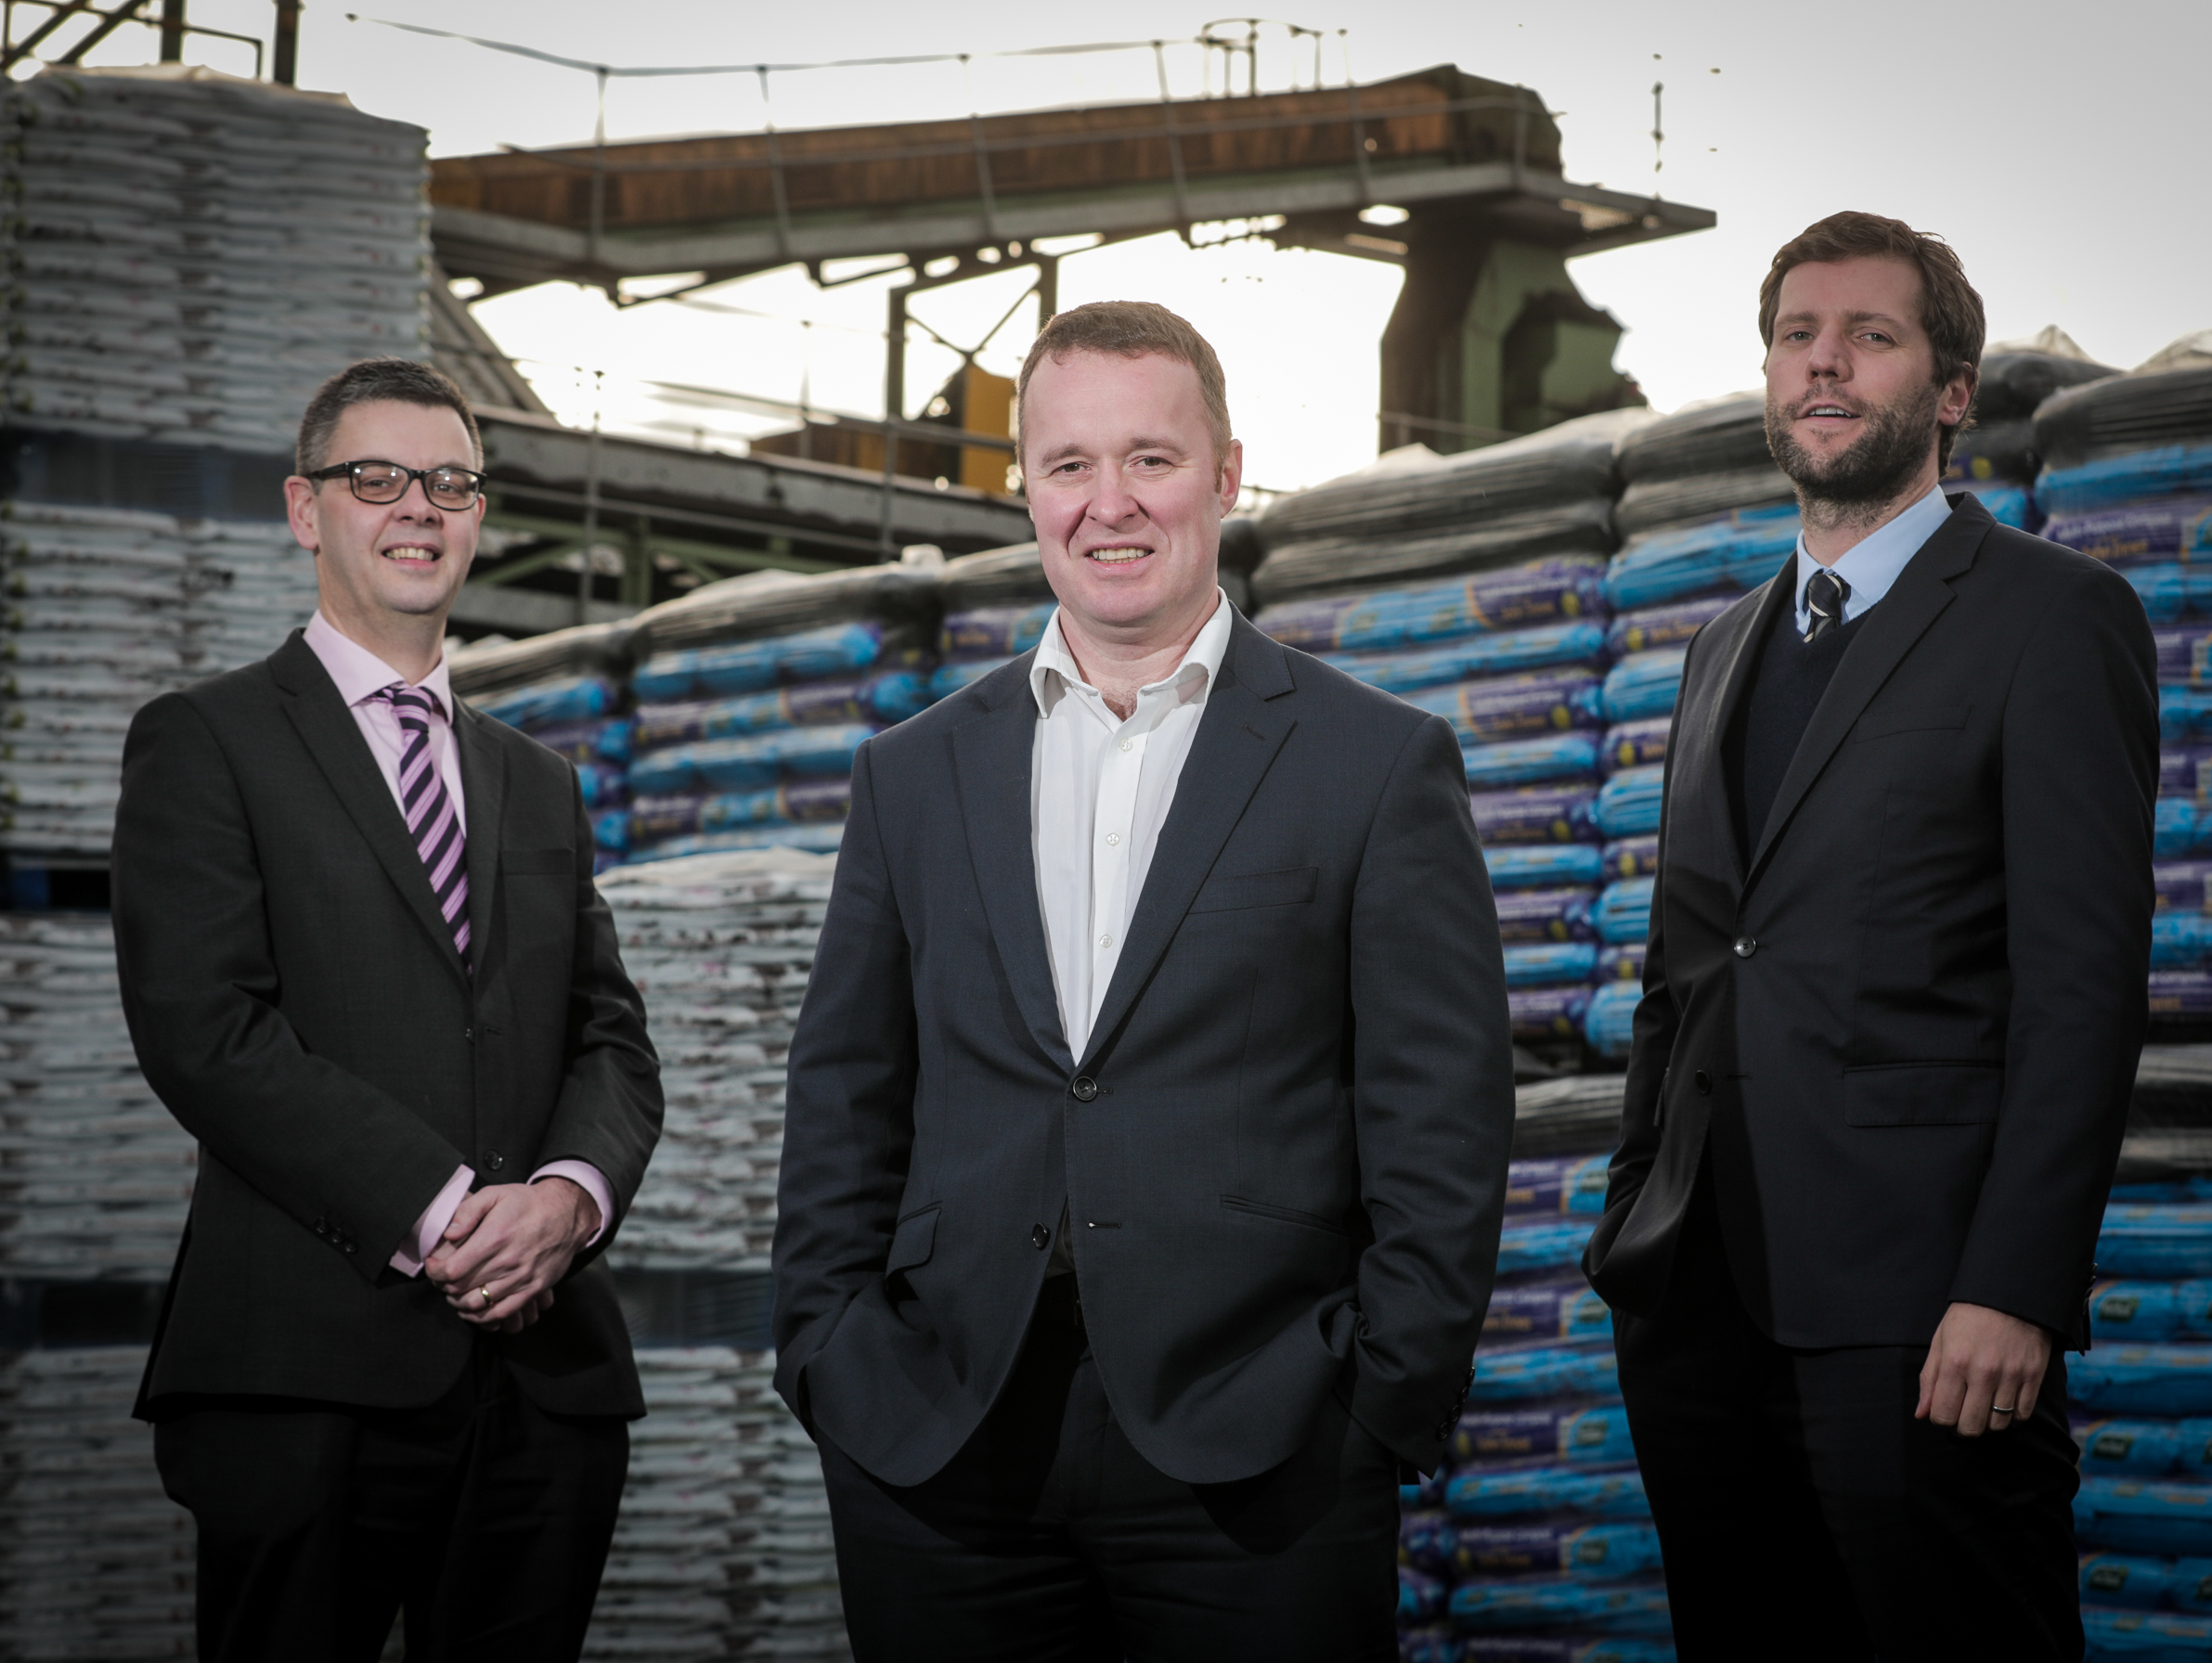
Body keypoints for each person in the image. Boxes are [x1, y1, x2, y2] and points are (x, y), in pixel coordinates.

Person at [772, 300, 1514, 1660]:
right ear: (1025, 490)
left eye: (1151, 460)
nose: (1110, 504)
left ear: (1226, 475)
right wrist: (828, 1352)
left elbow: (1444, 1117)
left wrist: (1377, 1404)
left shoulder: (1373, 765)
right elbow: (845, 1096)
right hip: (942, 1445)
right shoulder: (915, 774)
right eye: (1070, 466)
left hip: (1262, 1450)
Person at [1582, 212, 2158, 1658]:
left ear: (1952, 391)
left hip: (1922, 1315)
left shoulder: (2054, 619)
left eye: (1870, 336)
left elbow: (2083, 988)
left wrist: (2013, 1288)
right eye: (1796, 336)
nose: (1824, 364)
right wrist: (1631, 1217)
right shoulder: (1723, 644)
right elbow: (1685, 972)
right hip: (1700, 1301)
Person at [110, 357, 663, 1662]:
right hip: (308, 1377)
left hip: (541, 1384)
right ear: (308, 511)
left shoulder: (537, 780)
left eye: (452, 481)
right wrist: (444, 1209)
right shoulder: (207, 740)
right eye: (379, 479)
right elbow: (206, 1030)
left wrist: (567, 1199)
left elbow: (612, 1038)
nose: (420, 506)